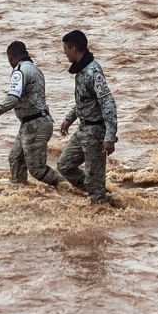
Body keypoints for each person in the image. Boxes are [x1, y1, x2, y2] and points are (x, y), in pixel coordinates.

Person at [0, 41, 65, 188]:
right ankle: (20, 192)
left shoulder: (19, 71)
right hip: (34, 123)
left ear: (11, 57)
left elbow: (13, 98)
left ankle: (68, 186)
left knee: (37, 169)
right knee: (15, 158)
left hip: (35, 124)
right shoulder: (35, 70)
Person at [57, 30, 118, 205]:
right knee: (64, 165)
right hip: (83, 129)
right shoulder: (81, 71)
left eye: (65, 49)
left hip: (95, 131)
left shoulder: (93, 72)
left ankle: (101, 202)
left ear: (74, 48)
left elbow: (108, 103)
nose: (64, 53)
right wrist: (69, 118)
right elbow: (85, 101)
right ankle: (101, 194)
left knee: (94, 181)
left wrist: (110, 137)